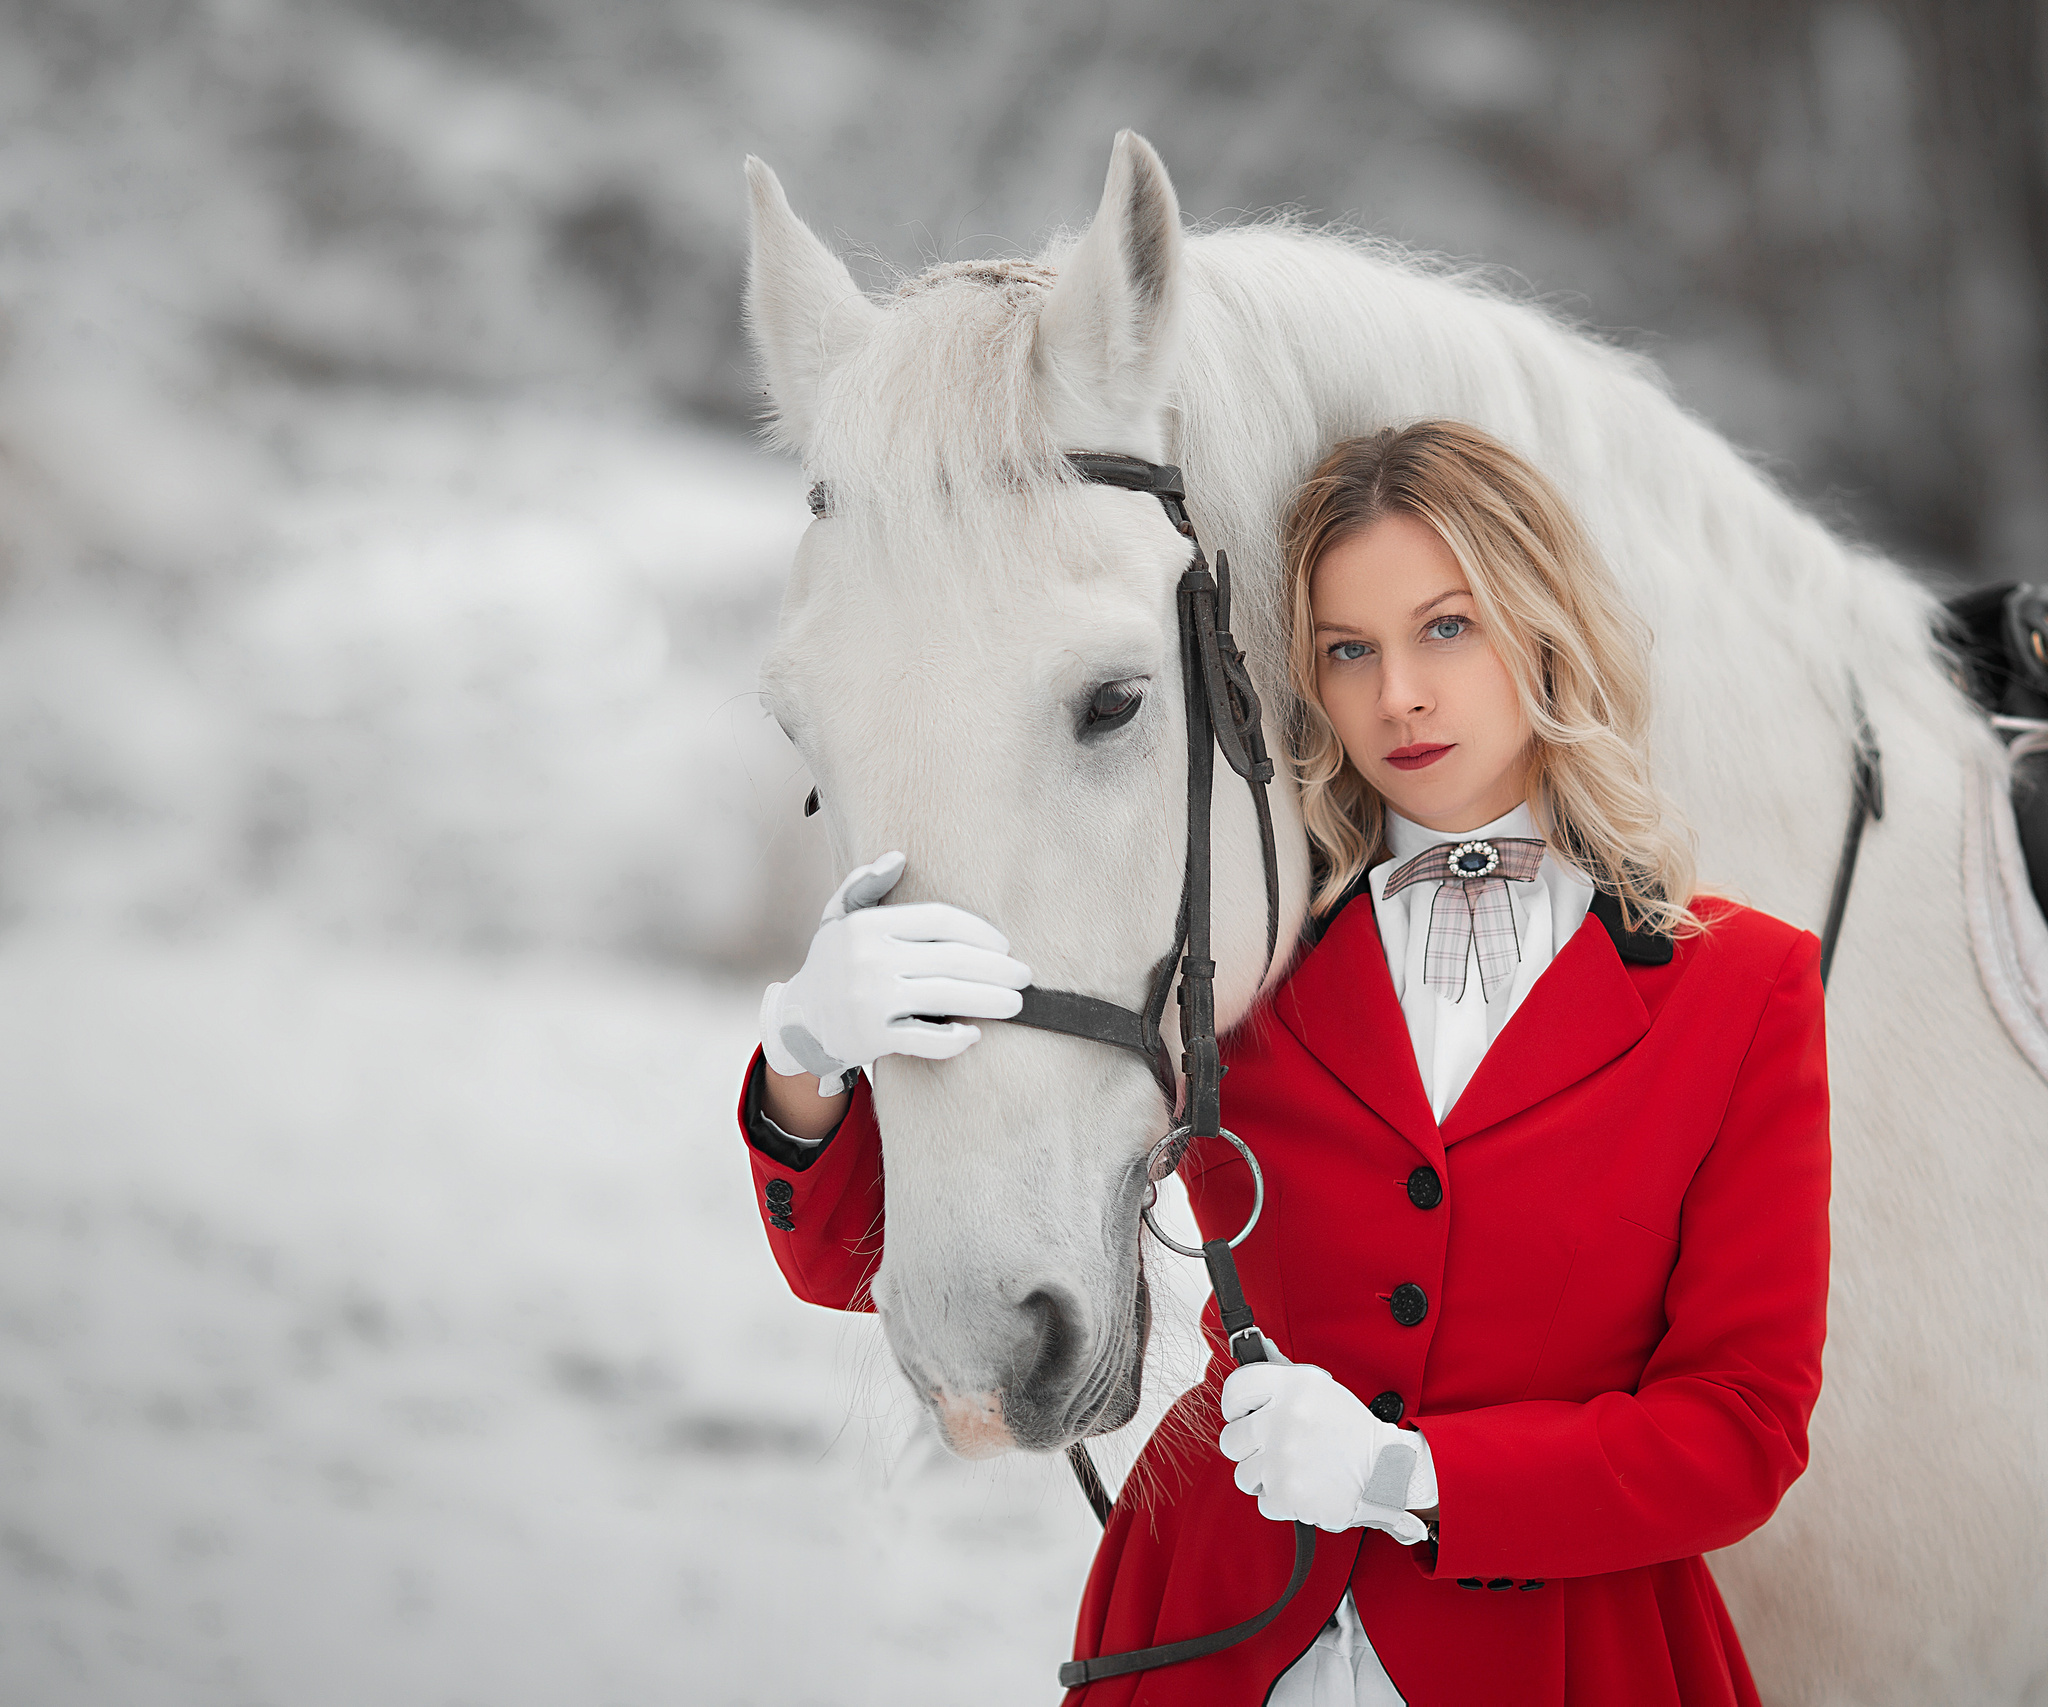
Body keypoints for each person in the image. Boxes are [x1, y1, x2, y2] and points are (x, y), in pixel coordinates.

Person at [737, 421, 1831, 1706]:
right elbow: (859, 1255)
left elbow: (1739, 1431)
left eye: (1446, 629)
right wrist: (807, 1055)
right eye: (1347, 652)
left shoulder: (1741, 988)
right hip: (1211, 1624)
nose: (1397, 698)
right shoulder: (1241, 958)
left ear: (1545, 627)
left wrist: (1407, 1479)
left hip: (1561, 1655)